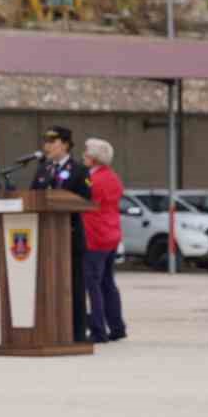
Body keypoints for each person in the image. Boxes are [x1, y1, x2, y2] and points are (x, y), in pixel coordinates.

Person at [30, 125, 90, 344]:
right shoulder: (43, 169)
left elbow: (86, 199)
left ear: (65, 144)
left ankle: (76, 333)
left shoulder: (80, 170)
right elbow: (33, 196)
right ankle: (50, 331)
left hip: (69, 237)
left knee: (73, 287)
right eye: (46, 142)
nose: (47, 146)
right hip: (45, 239)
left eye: (52, 142)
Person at [79, 137, 127, 343]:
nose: (83, 156)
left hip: (94, 236)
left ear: (94, 158)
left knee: (93, 284)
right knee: (108, 283)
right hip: (111, 235)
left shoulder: (94, 180)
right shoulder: (113, 177)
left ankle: (98, 329)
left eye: (86, 153)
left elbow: (85, 201)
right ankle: (117, 326)